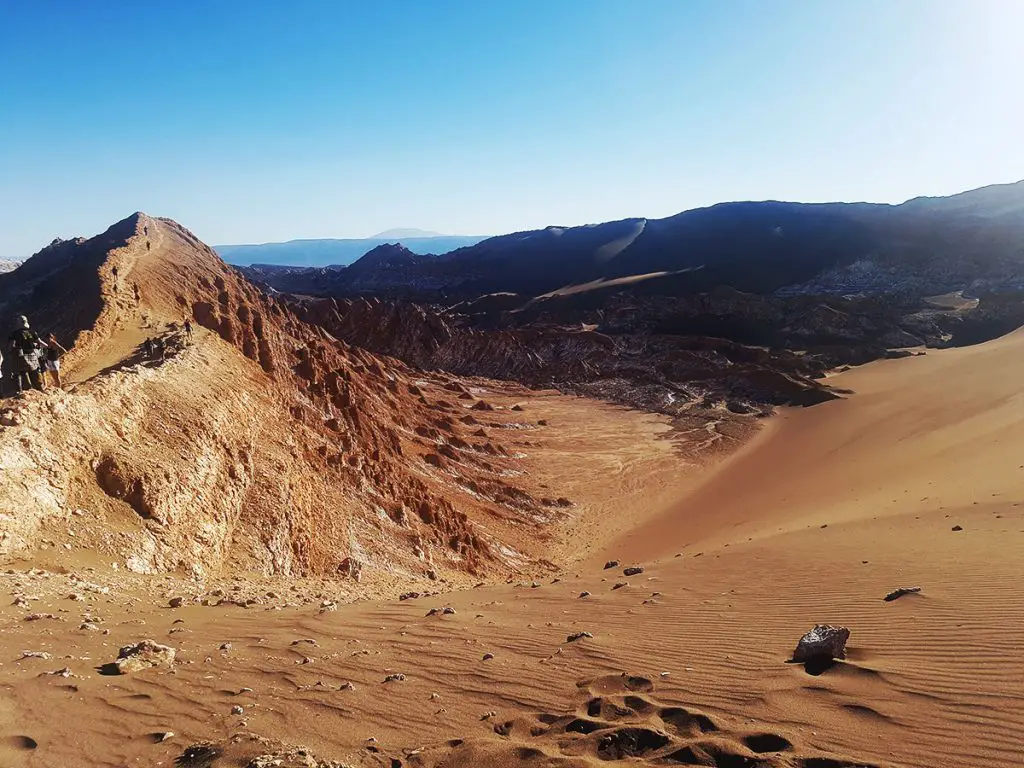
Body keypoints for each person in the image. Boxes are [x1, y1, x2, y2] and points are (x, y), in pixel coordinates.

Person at [8, 316, 44, 392]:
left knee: (21, 373)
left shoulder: (15, 333)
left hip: (21, 356)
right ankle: (40, 388)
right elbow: (39, 342)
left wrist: (11, 352)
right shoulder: (32, 332)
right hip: (33, 355)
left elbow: (11, 345)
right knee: (35, 372)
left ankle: (24, 391)